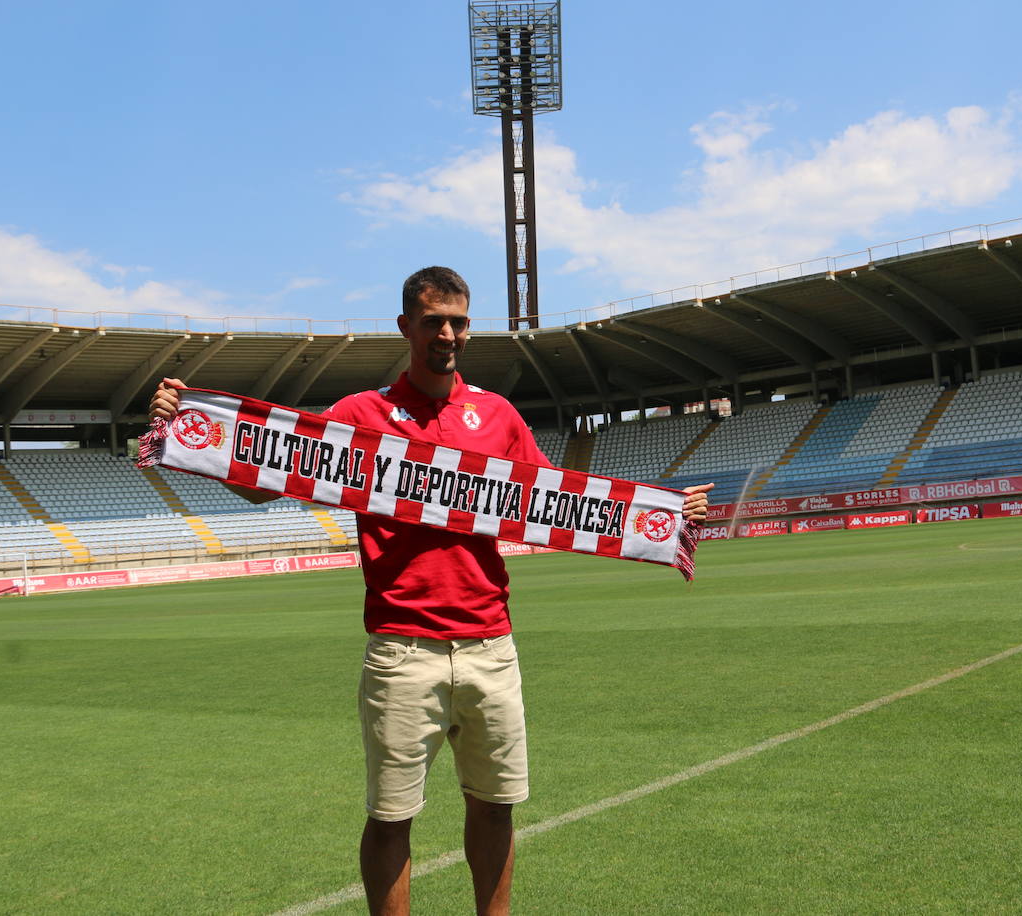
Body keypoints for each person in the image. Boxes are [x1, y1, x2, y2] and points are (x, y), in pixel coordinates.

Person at [150, 266, 712, 915]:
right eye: (433, 321)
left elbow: (562, 503)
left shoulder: (497, 416)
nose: (447, 333)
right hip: (401, 649)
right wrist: (187, 423)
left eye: (458, 321)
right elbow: (264, 477)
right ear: (405, 327)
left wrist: (667, 515)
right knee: (391, 817)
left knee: (496, 804)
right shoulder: (359, 416)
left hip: (490, 645)